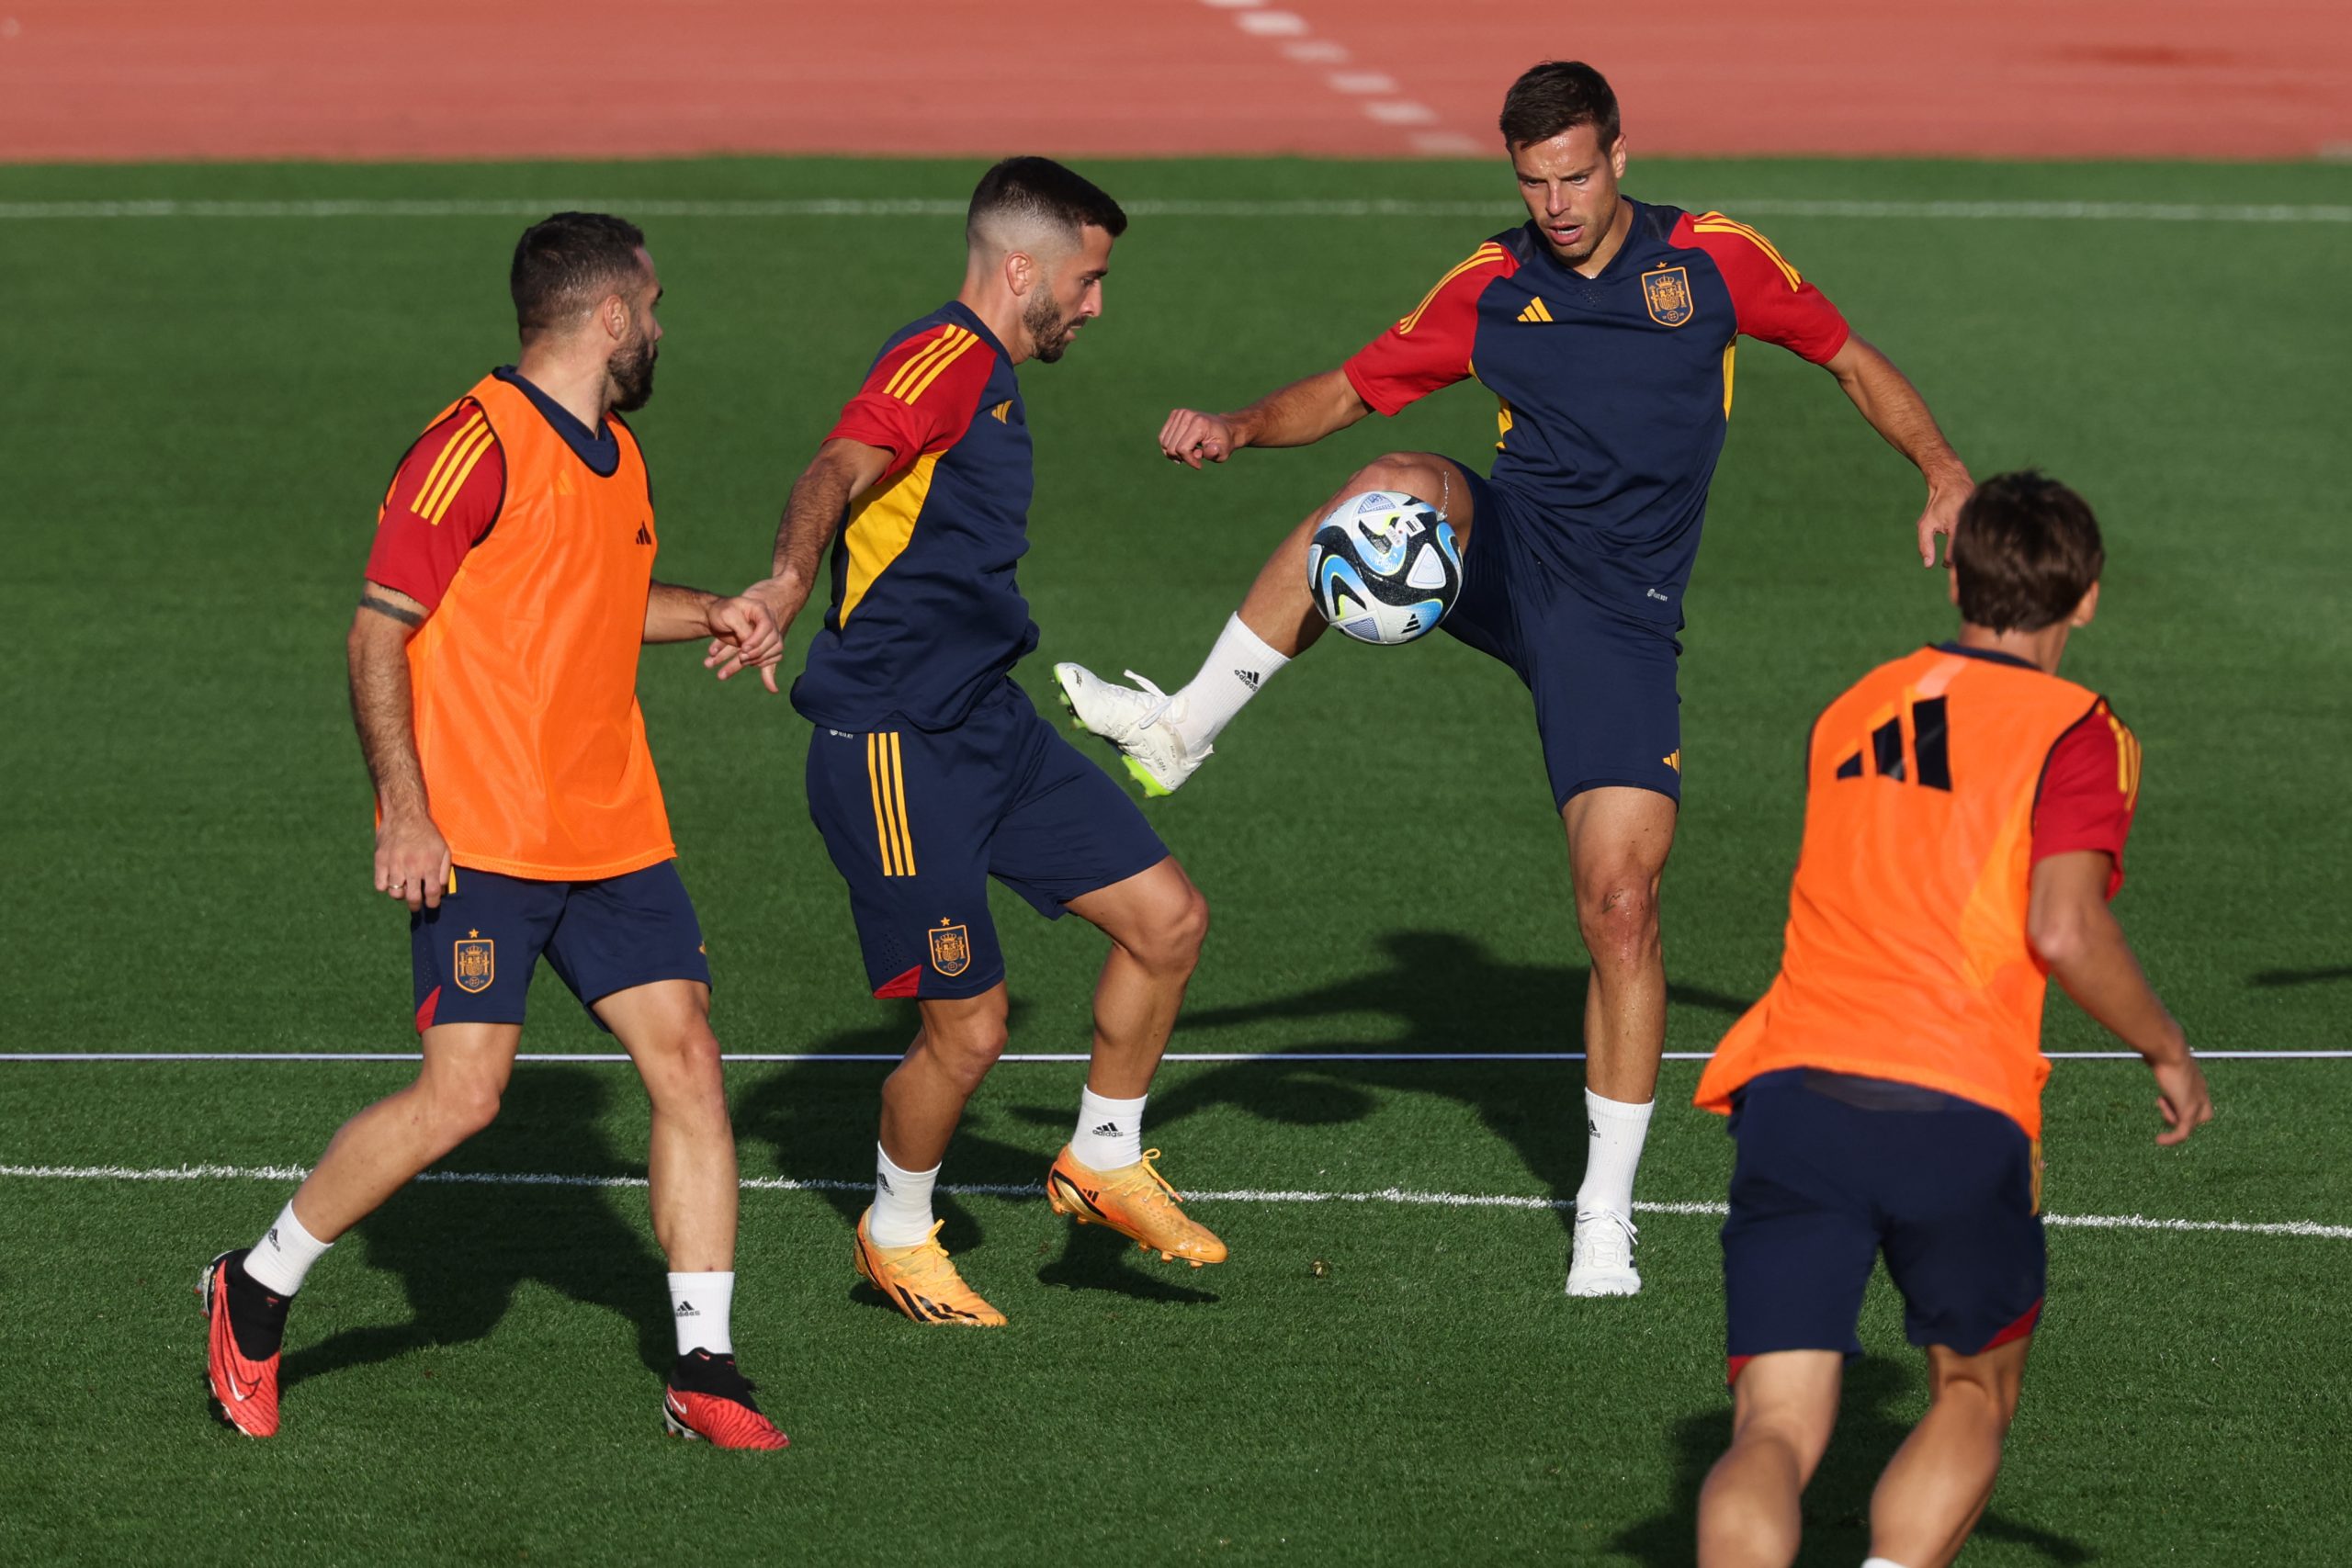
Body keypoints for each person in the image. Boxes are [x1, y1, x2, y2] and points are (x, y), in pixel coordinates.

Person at [1054, 60, 1973, 1296]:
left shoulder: (1713, 263)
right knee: (1389, 481)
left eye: (1576, 174)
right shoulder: (1491, 286)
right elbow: (1349, 385)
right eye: (1534, 181)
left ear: (1620, 158)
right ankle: (1182, 728)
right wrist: (1237, 424)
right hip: (1509, 552)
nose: (1556, 203)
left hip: (1622, 621)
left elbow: (1850, 358)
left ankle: (1604, 1211)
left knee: (1621, 909)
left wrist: (1943, 468)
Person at [200, 212, 790, 1450]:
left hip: (614, 823)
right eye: (656, 305)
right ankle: (256, 1284)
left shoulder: (616, 455)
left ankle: (706, 1365)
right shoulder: (468, 444)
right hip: (483, 835)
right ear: (612, 315)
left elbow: (606, 602)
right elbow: (377, 629)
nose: (663, 328)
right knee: (463, 1095)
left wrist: (718, 612)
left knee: (686, 1059)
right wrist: (405, 812)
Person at [1689, 471, 2212, 1568]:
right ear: (2088, 599)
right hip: (1953, 1098)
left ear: (1958, 580)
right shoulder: (2077, 727)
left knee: (1775, 1425)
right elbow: (2064, 930)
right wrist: (2164, 1046)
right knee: (1974, 1387)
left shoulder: (1855, 704)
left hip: (1791, 1089)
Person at [741, 158, 1222, 1328]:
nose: (1097, 305)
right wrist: (790, 577)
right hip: (892, 751)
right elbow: (837, 464)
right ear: (1023, 270)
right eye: (1089, 279)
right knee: (971, 1031)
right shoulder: (943, 359)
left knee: (1169, 922)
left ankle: (1101, 1158)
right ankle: (895, 1233)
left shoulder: (992, 377)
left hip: (984, 722)